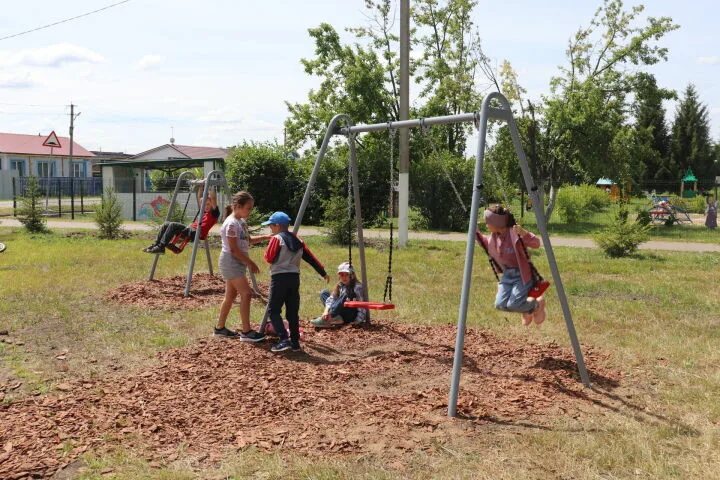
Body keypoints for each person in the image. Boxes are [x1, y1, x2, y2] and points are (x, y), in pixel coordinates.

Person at [262, 211, 329, 352]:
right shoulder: (298, 241)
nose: (270, 229)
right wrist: (323, 272)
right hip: (294, 278)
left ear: (278, 225)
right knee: (292, 312)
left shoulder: (276, 239)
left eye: (271, 226)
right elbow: (311, 258)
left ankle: (283, 339)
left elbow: (269, 258)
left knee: (273, 310)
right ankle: (295, 342)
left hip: (279, 278)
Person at [476, 204, 546, 326]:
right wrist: (474, 231)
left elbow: (536, 243)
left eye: (488, 222)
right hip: (508, 274)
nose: (486, 224)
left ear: (497, 223)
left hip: (522, 274)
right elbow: (484, 242)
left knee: (513, 304)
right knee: (500, 305)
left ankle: (537, 305)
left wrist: (524, 233)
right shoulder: (494, 238)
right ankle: (527, 309)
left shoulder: (514, 233)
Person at [214, 191, 270, 340]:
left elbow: (248, 240)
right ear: (238, 206)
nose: (250, 211)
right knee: (247, 294)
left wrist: (266, 237)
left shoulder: (241, 222)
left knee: (230, 296)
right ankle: (246, 332)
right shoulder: (231, 223)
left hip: (236, 262)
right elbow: (233, 249)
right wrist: (250, 263)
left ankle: (219, 328)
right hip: (231, 262)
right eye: (248, 208)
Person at [144, 186, 220, 254]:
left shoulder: (214, 213)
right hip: (190, 230)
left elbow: (213, 198)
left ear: (212, 204)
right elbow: (199, 197)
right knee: (166, 224)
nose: (205, 206)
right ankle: (156, 244)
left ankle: (161, 246)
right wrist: (201, 186)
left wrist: (209, 185)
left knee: (173, 225)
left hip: (196, 233)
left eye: (208, 204)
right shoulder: (204, 211)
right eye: (204, 204)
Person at [311, 262, 368, 328]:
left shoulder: (357, 287)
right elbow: (332, 299)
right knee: (324, 293)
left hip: (350, 315)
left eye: (346, 275)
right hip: (339, 311)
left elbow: (362, 306)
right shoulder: (340, 285)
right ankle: (334, 317)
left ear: (352, 275)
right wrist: (325, 312)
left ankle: (328, 318)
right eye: (341, 275)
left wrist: (356, 321)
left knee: (345, 294)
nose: (344, 277)